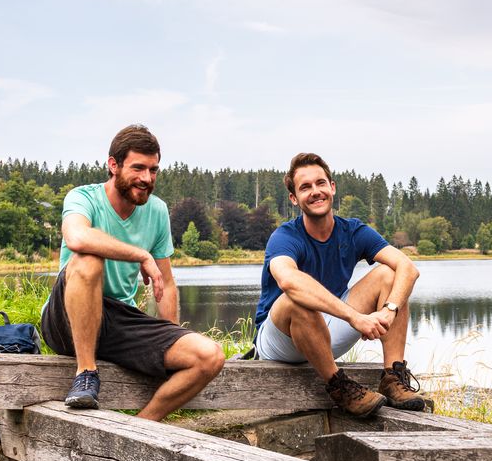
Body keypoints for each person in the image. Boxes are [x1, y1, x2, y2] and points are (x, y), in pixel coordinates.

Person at [39, 124, 225, 418]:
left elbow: (168, 285)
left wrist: (170, 335)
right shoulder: (83, 198)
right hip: (66, 316)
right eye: (138, 168)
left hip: (118, 319)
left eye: (153, 170)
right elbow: (77, 237)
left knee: (209, 356)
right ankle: (86, 373)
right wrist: (139, 254)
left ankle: (141, 426)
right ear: (113, 165)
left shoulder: (157, 210)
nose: (147, 178)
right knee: (89, 260)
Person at [254, 151, 430, 417]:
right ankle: (339, 386)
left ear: (332, 187)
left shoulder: (353, 231)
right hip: (281, 341)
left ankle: (393, 378)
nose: (315, 191)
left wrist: (388, 310)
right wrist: (355, 317)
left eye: (320, 183)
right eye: (305, 187)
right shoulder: (285, 236)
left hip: (326, 331)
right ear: (294, 198)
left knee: (391, 276)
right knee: (295, 298)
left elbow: (408, 267)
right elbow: (288, 280)